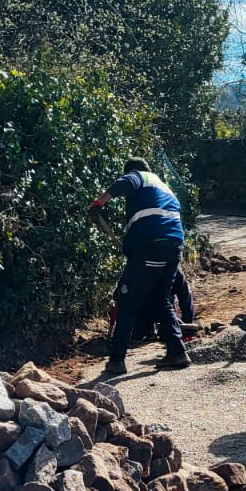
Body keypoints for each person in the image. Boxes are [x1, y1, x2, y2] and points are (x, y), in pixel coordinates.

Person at [89, 157, 191, 376]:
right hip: (174, 247)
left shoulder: (140, 176)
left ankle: (117, 360)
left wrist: (99, 203)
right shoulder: (164, 187)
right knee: (160, 298)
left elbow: (124, 183)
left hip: (152, 245)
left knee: (128, 299)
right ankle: (176, 351)